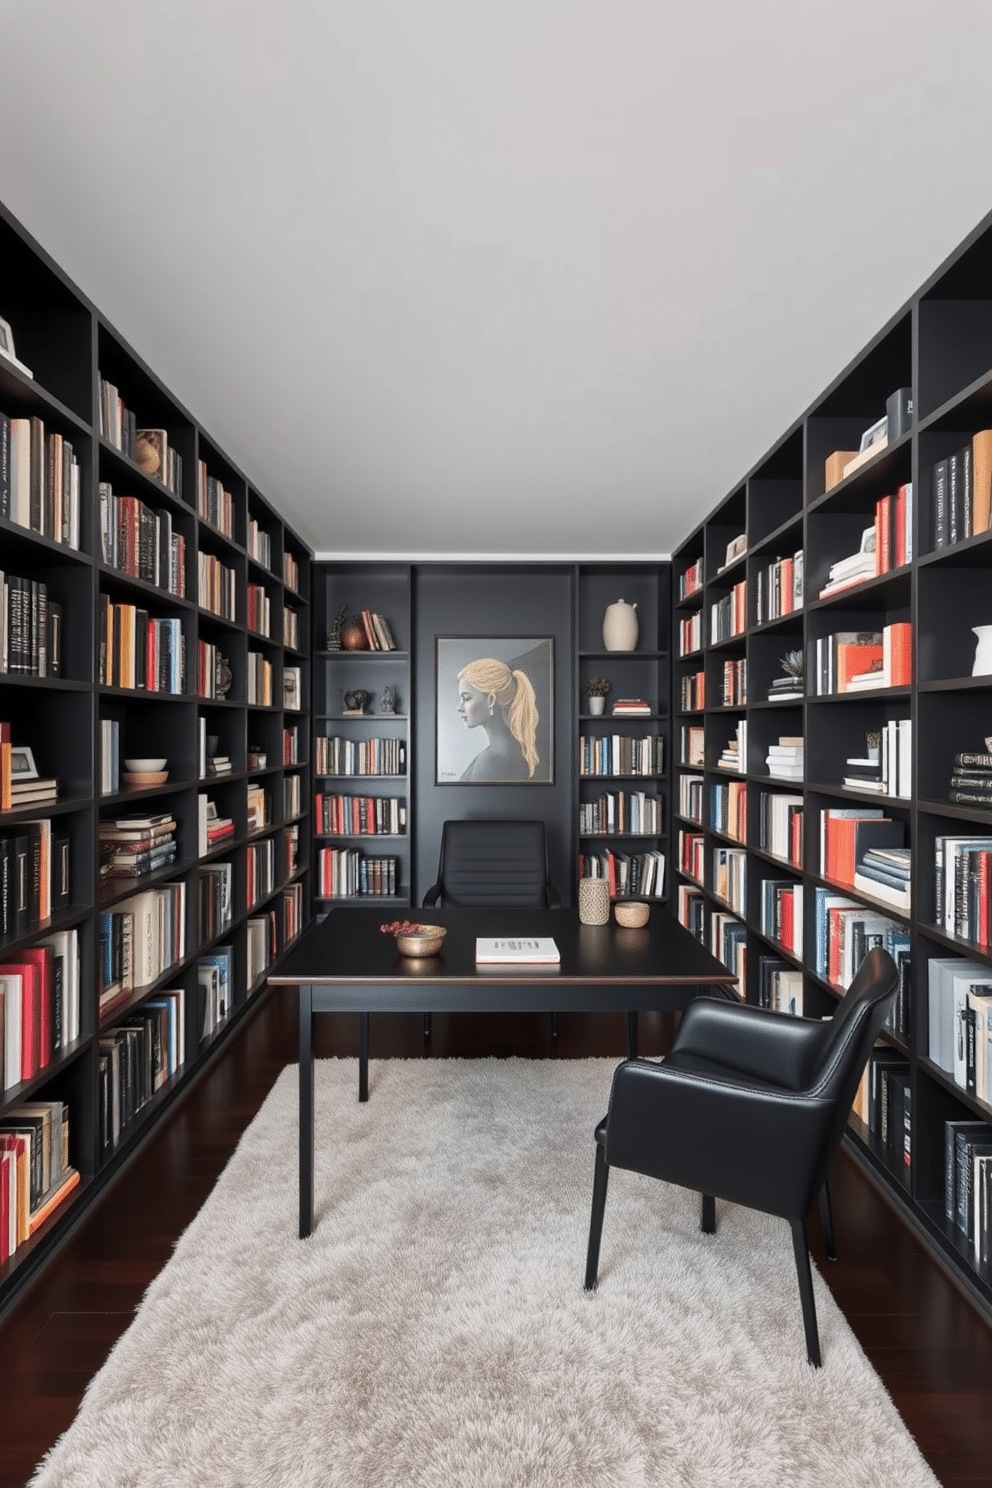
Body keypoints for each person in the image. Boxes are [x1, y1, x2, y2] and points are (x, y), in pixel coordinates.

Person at [457, 658, 539, 781]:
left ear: (491, 700)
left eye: (466, 698)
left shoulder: (491, 762)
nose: (460, 708)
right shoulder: (516, 751)